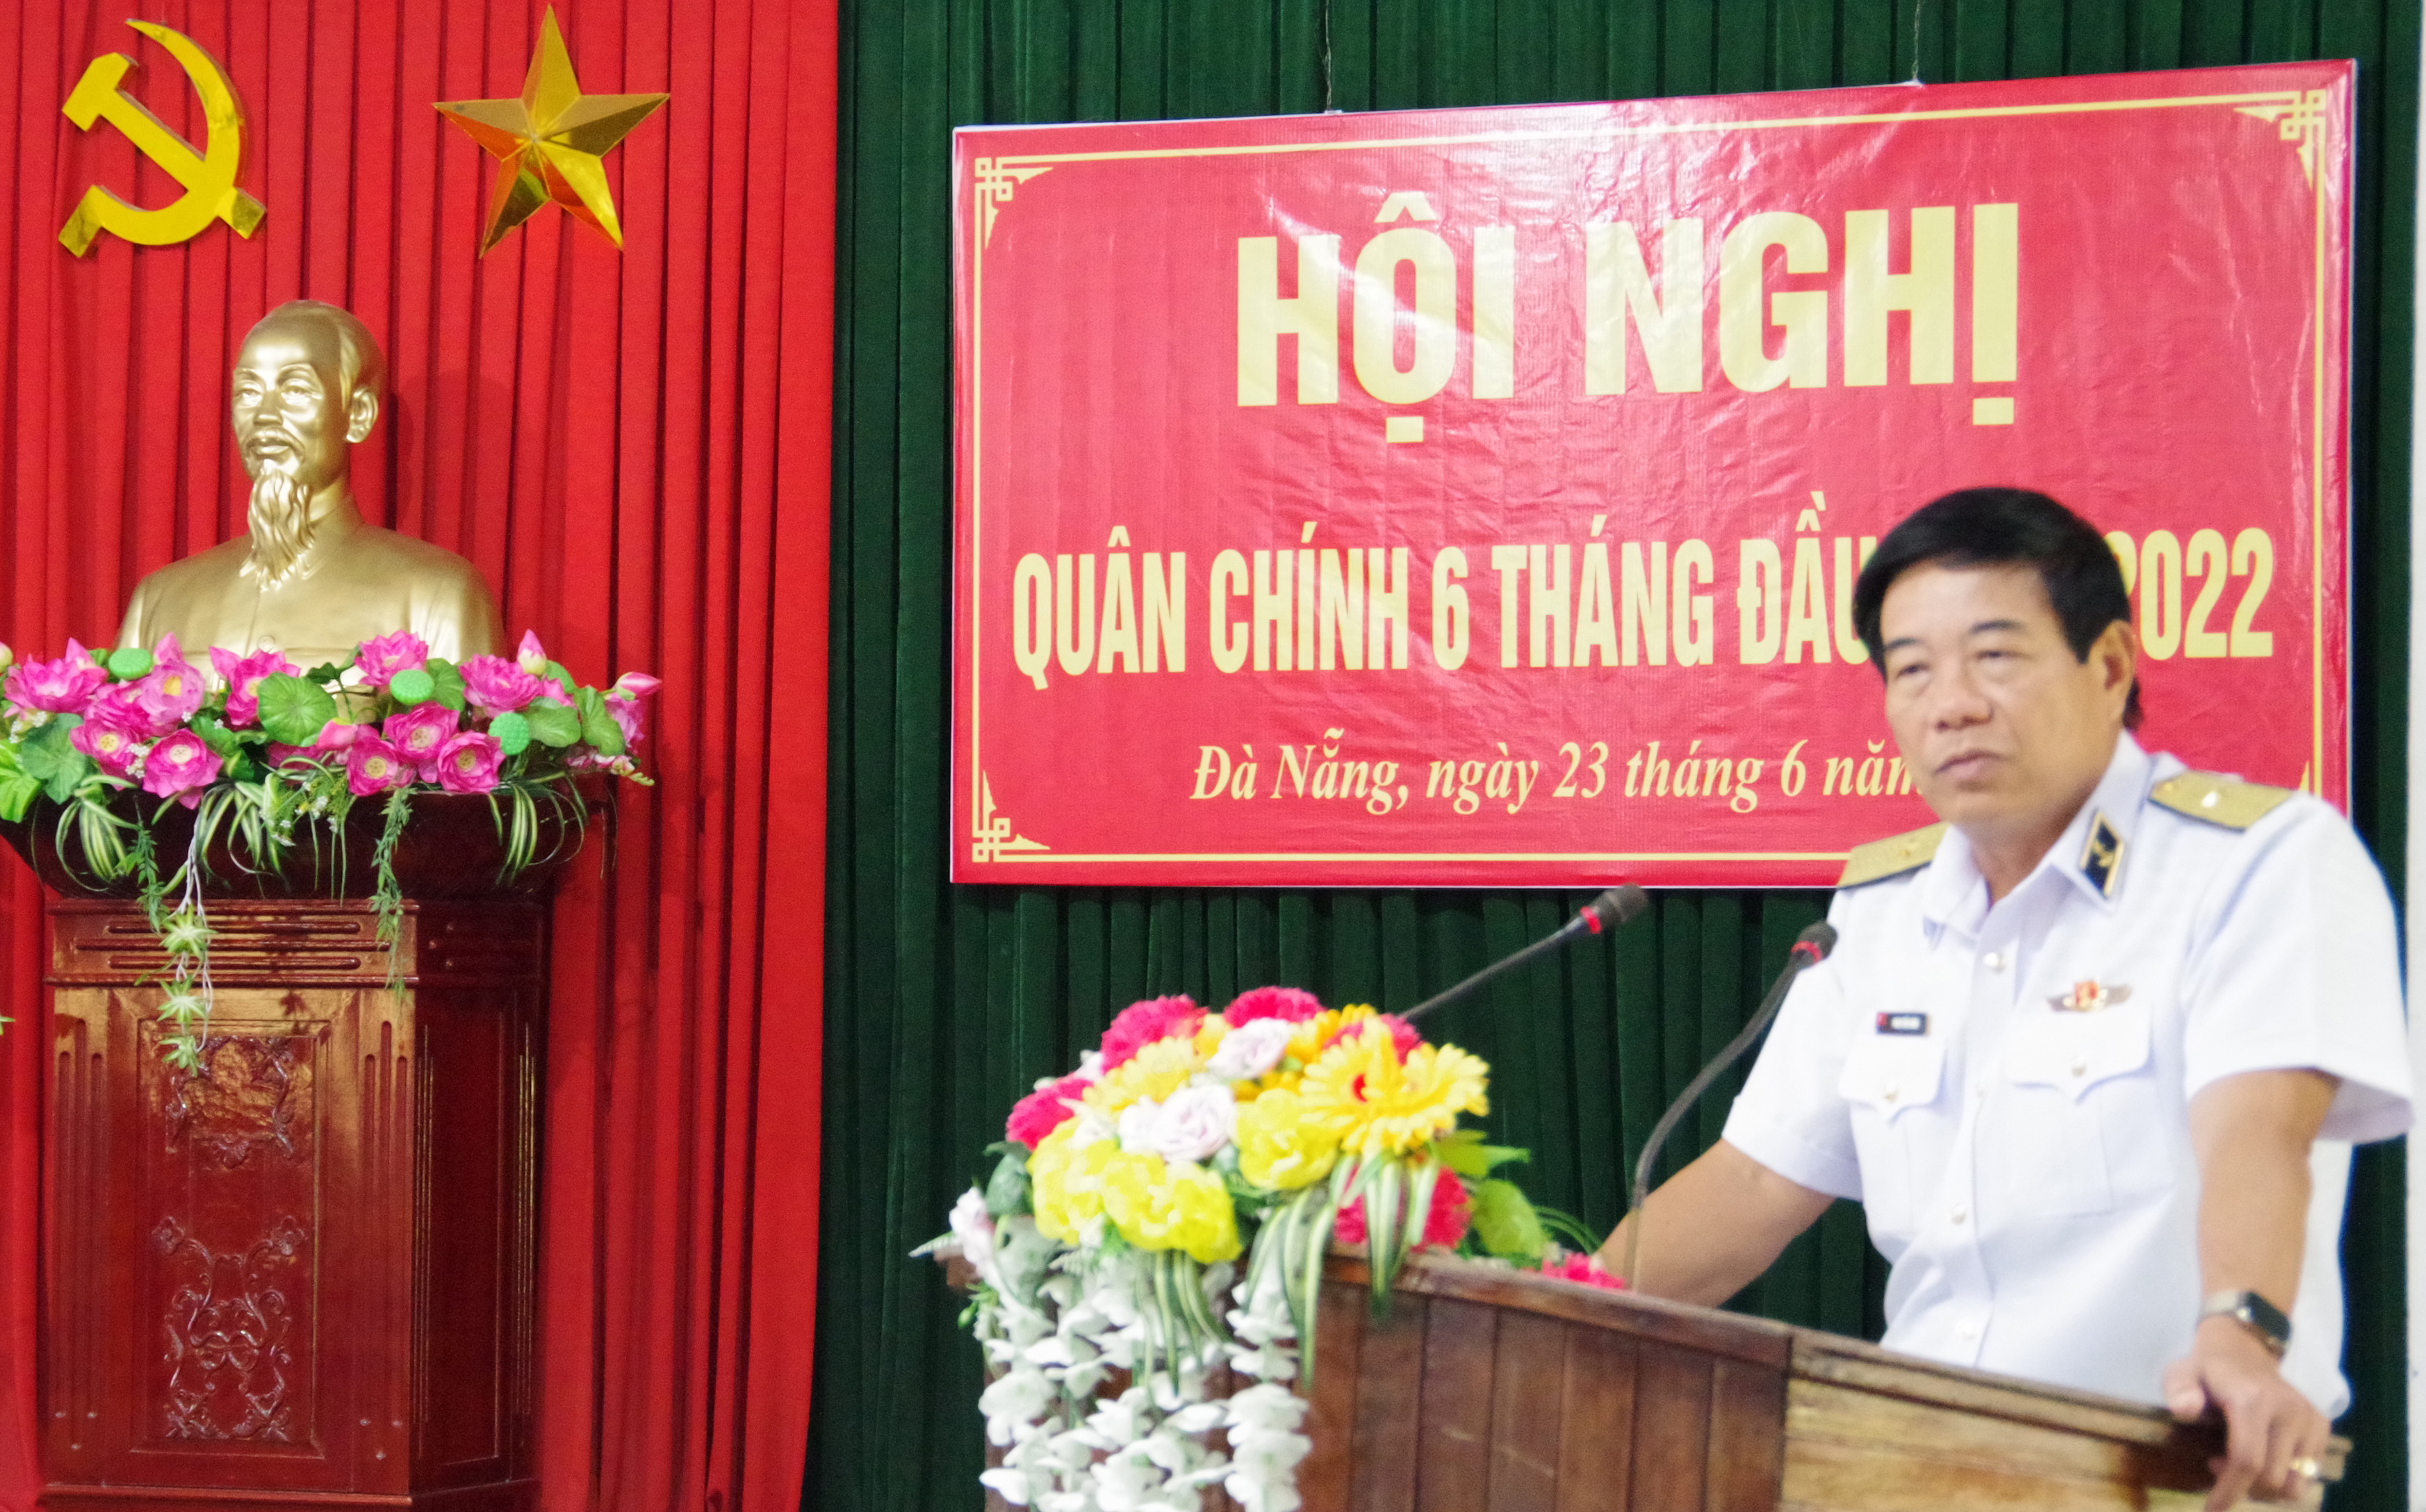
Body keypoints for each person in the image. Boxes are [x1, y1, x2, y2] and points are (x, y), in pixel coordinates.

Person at [1597, 488, 2412, 1509]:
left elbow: (2257, 1129)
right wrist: (1542, 1302)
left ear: (2108, 666)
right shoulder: (1879, 912)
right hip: (1906, 1471)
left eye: (1993, 656)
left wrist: (2239, 1333)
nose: (1952, 704)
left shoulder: (2254, 864)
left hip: (2162, 1473)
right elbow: (1756, 1184)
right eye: (1911, 669)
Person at [118, 300, 501, 669]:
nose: (264, 416)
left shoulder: (440, 596)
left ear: (358, 414)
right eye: (248, 392)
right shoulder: (158, 601)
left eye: (296, 390)